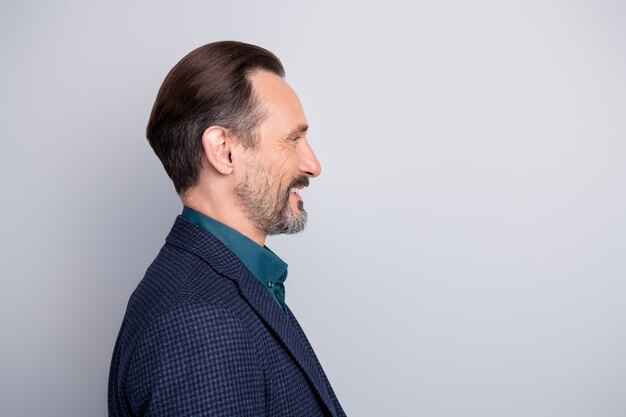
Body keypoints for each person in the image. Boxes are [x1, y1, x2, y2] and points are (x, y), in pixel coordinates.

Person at [107, 41, 346, 417]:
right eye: (293, 139)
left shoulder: (228, 287)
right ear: (224, 150)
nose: (313, 164)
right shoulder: (199, 325)